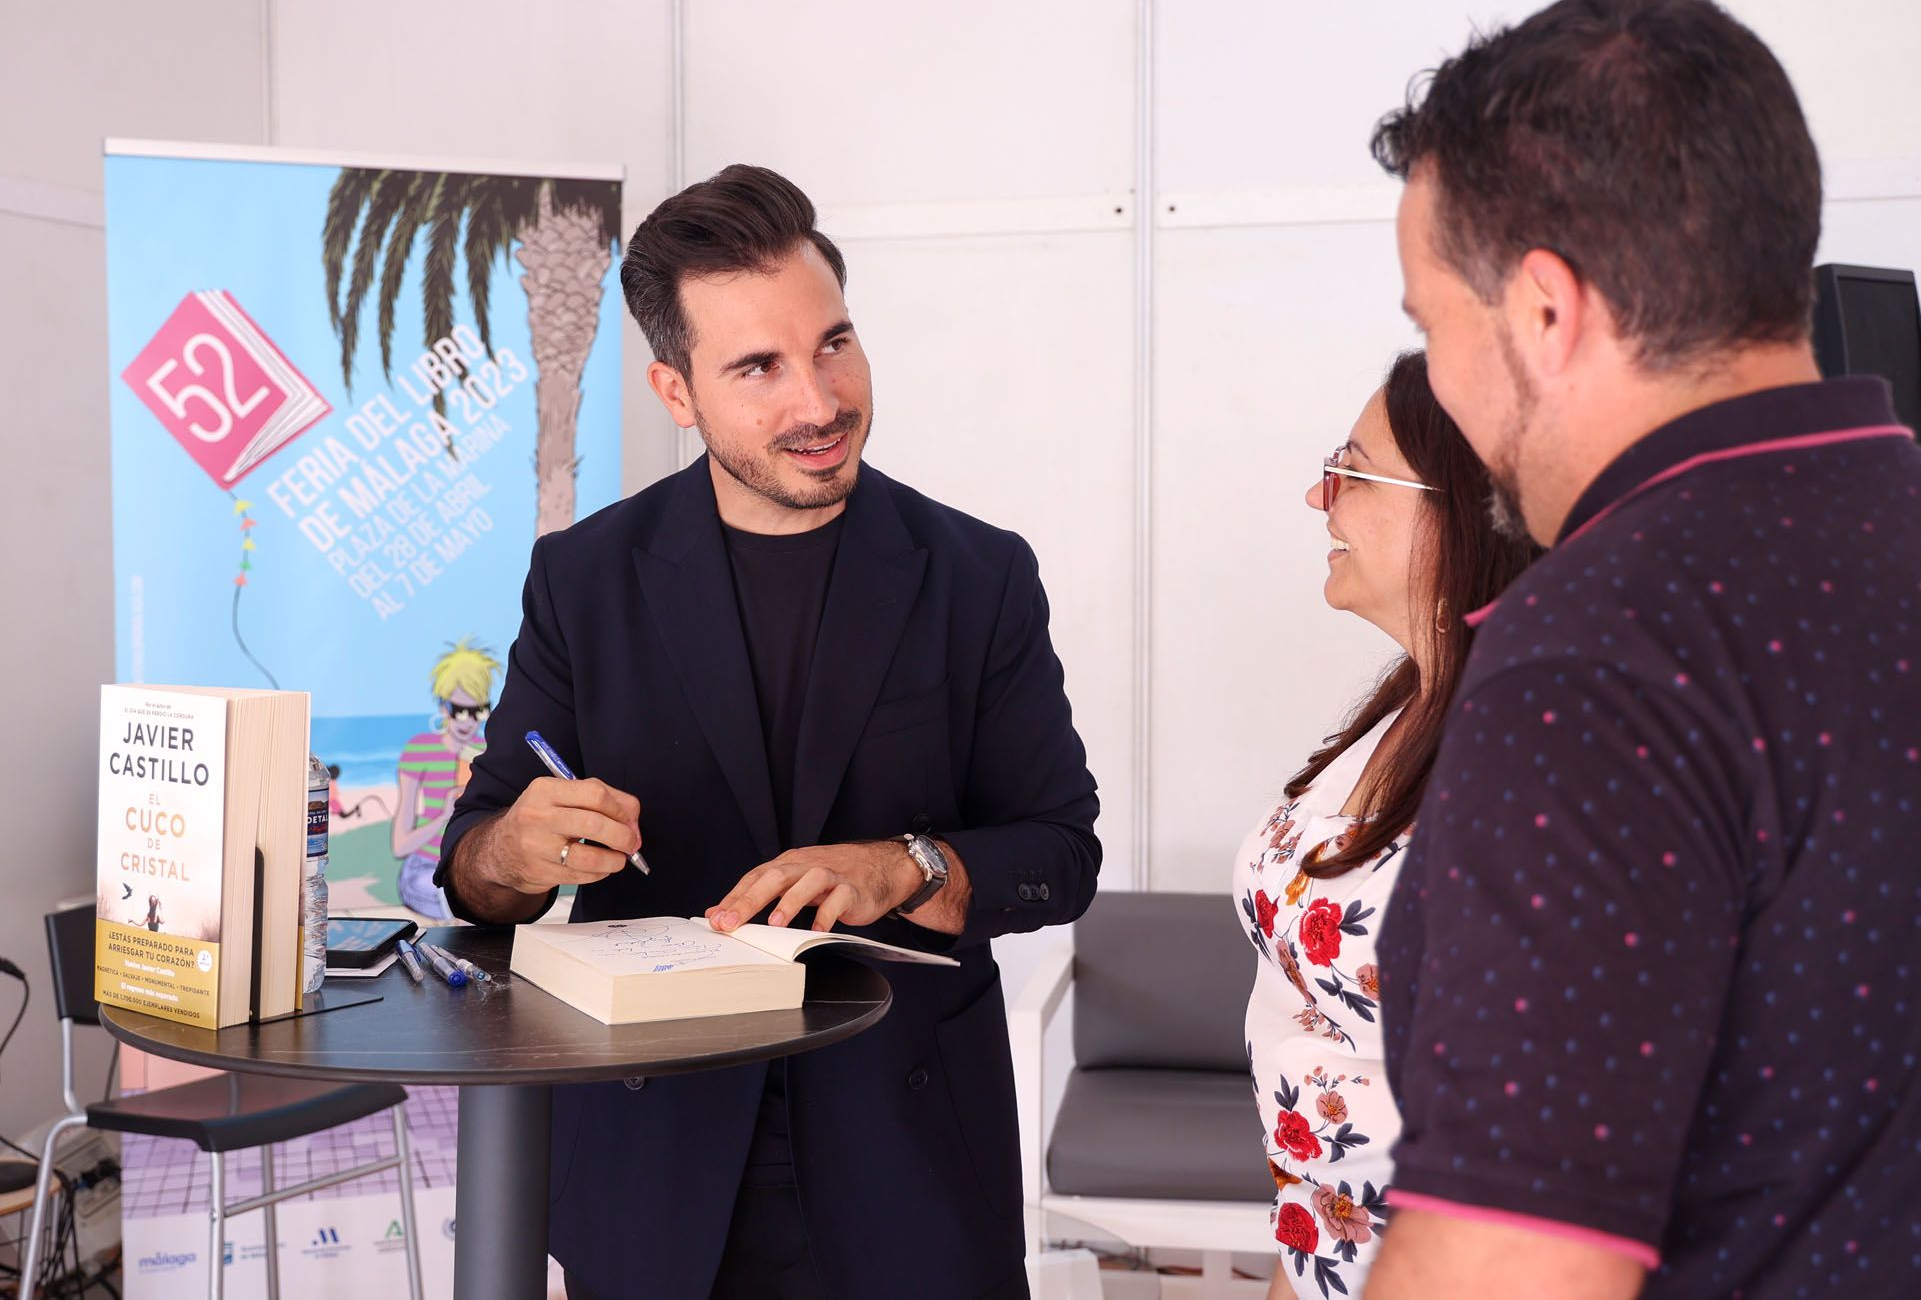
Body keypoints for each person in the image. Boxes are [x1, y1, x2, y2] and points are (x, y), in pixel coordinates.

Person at [1360, 0, 1921, 1298]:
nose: (1440, 379)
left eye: (1433, 329)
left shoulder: (1599, 651)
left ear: (1546, 307)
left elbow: (1507, 1270)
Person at [437, 164, 1100, 1300]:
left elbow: (1060, 853)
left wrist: (908, 865)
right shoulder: (584, 579)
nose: (818, 399)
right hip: (655, 1163)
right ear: (674, 389)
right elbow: (476, 862)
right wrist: (510, 850)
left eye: (833, 344)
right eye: (759, 367)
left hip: (912, 1167)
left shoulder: (978, 576)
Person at [1236, 351, 1536, 1299]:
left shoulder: (1537, 757)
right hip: (1330, 1249)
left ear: (1460, 507)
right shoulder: (1413, 702)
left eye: (1353, 469)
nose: (1319, 494)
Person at [391, 636, 500, 920]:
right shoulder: (421, 748)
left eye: (478, 710)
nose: (467, 721)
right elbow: (400, 844)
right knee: (455, 898)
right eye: (458, 710)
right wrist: (443, 817)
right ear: (443, 707)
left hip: (473, 864)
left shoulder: (489, 750)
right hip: (425, 868)